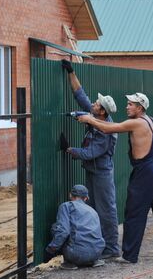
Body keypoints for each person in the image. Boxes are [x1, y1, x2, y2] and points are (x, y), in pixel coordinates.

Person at [77, 92, 153, 264]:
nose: (127, 107)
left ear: (139, 108)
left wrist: (89, 120)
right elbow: (105, 124)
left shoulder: (135, 123)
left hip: (145, 172)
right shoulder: (150, 120)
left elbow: (107, 128)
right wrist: (91, 118)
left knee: (134, 213)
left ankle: (129, 255)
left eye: (130, 104)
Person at [59, 60, 120, 259]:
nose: (92, 104)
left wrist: (69, 149)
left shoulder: (105, 132)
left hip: (102, 173)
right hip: (92, 171)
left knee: (106, 210)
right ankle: (96, 243)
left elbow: (89, 153)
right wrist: (71, 72)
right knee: (92, 207)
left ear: (102, 112)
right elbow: (80, 95)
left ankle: (111, 248)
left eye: (96, 104)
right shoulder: (95, 115)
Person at [43, 185, 106, 270]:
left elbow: (63, 231)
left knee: (55, 227)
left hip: (76, 255)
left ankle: (70, 263)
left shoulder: (66, 206)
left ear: (70, 195)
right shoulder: (92, 210)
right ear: (86, 198)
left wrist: (50, 250)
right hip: (97, 253)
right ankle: (92, 261)